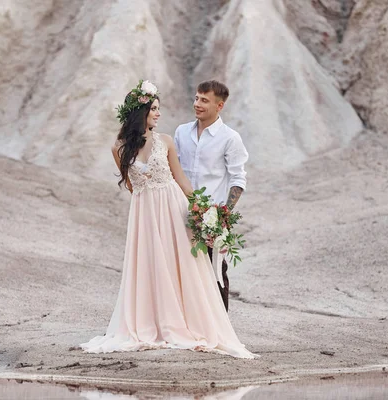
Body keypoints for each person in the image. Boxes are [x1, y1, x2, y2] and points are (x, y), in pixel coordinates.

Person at [80, 80, 257, 359]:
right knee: (153, 267)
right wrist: (148, 192)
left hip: (179, 208)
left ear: (219, 105)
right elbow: (129, 184)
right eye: (154, 109)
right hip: (145, 213)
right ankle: (158, 323)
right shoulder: (126, 146)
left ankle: (212, 325)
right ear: (140, 112)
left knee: (198, 269)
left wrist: (208, 211)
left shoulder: (173, 141)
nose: (159, 113)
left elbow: (182, 178)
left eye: (203, 100)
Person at [173, 80, 249, 312]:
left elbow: (238, 179)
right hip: (178, 212)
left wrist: (222, 216)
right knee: (180, 271)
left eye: (204, 100)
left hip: (210, 217)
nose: (197, 104)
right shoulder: (181, 132)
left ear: (219, 106)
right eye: (196, 98)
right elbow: (172, 170)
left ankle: (220, 329)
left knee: (215, 273)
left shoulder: (230, 138)